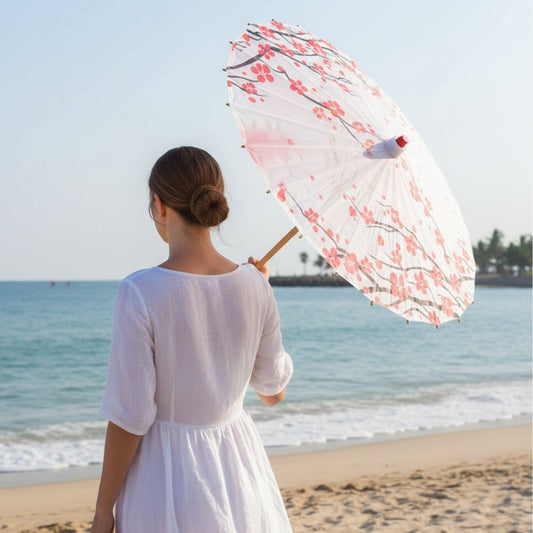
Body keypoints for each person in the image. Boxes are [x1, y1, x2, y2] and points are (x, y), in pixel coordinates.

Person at [90, 146, 294, 533]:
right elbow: (272, 393)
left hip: (164, 470)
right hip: (238, 468)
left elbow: (130, 417)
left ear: (159, 205)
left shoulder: (140, 291)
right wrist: (259, 288)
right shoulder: (255, 286)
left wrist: (104, 510)